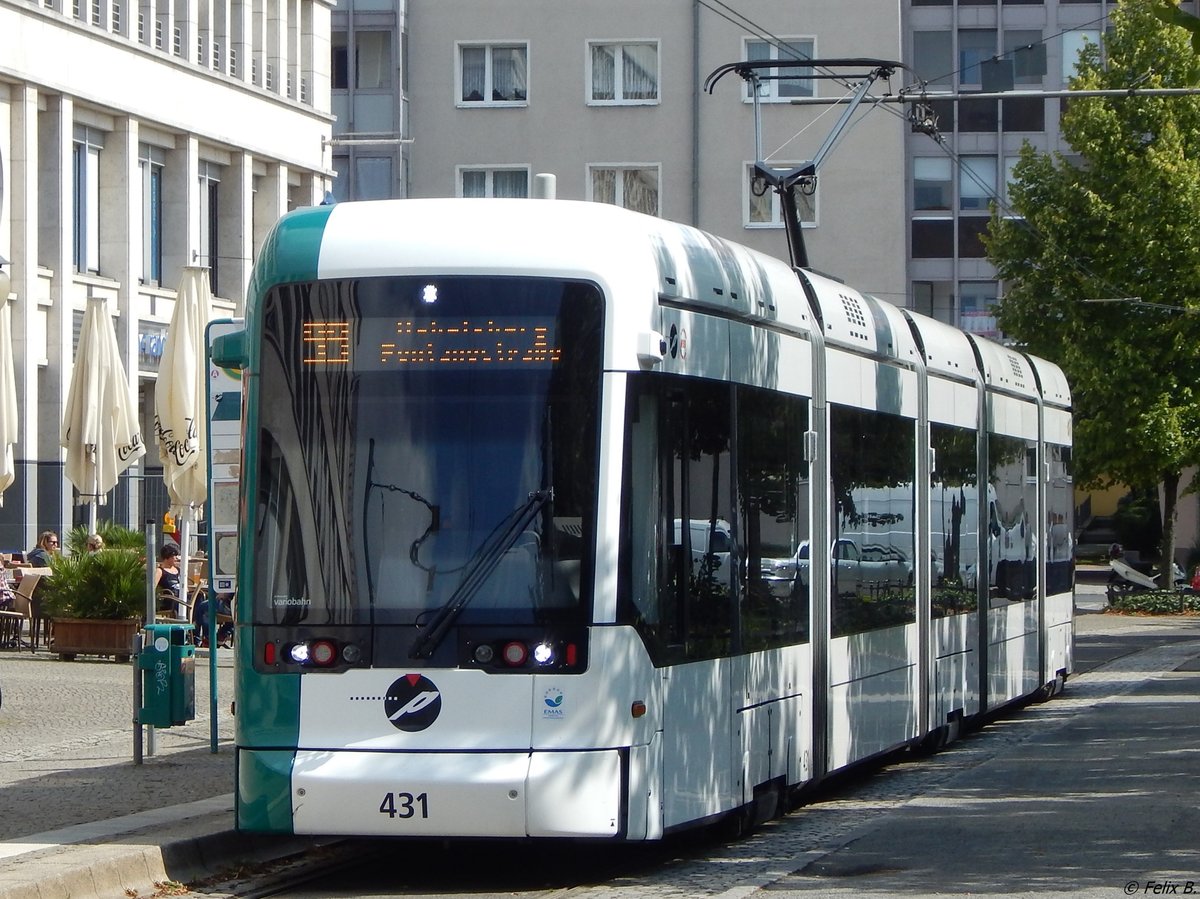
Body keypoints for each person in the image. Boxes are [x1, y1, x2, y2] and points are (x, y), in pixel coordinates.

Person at [153, 544, 183, 615]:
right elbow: (152, 588)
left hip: (181, 596)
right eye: (175, 556)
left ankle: (197, 620)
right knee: (181, 603)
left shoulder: (178, 570)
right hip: (170, 599)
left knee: (199, 597)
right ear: (167, 557)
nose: (177, 558)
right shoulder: (160, 571)